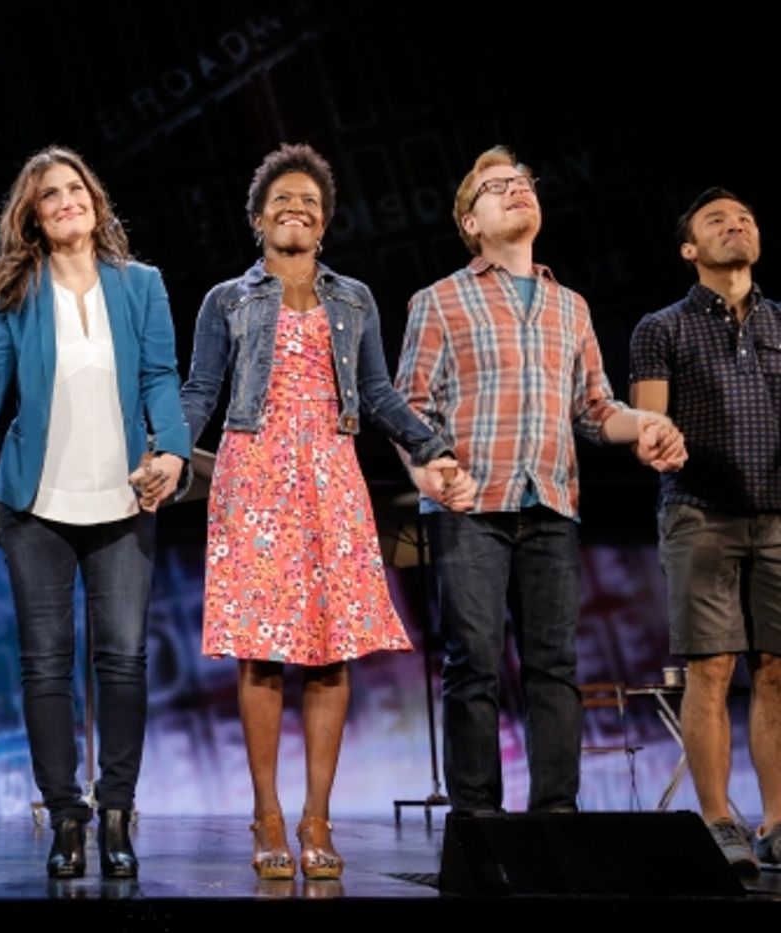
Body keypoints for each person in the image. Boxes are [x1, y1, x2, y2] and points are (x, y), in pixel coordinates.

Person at [180, 143, 471, 880]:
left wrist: (430, 446)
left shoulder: (355, 299)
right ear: (257, 219)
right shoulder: (227, 300)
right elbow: (199, 392)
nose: (296, 210)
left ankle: (317, 816)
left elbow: (377, 394)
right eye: (281, 201)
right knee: (262, 649)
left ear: (325, 222)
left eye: (309, 202)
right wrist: (166, 452)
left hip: (332, 479)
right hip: (254, 475)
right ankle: (267, 813)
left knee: (332, 649)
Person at [394, 145, 686, 816]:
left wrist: (642, 425)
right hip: (471, 505)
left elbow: (595, 408)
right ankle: (478, 819)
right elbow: (411, 407)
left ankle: (557, 816)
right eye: (496, 187)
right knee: (475, 665)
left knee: (555, 667)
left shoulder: (571, 307)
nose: (516, 190)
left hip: (552, 504)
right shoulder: (439, 301)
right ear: (470, 221)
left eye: (523, 183)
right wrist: (430, 467)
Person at [0, 146, 189, 879]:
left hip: (122, 501)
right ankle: (66, 818)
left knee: (122, 661)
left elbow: (159, 378)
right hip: (36, 506)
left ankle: (116, 811)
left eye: (74, 189)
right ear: (32, 216)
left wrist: (172, 452)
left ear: (94, 201)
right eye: (48, 195)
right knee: (46, 666)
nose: (64, 200)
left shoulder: (140, 285)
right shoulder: (13, 295)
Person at [630, 187, 781, 873]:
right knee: (711, 667)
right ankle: (719, 818)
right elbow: (649, 419)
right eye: (717, 220)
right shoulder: (661, 328)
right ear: (690, 248)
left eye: (744, 218)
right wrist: (655, 439)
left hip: (777, 514)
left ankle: (778, 821)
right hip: (698, 511)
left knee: (776, 671)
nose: (736, 225)